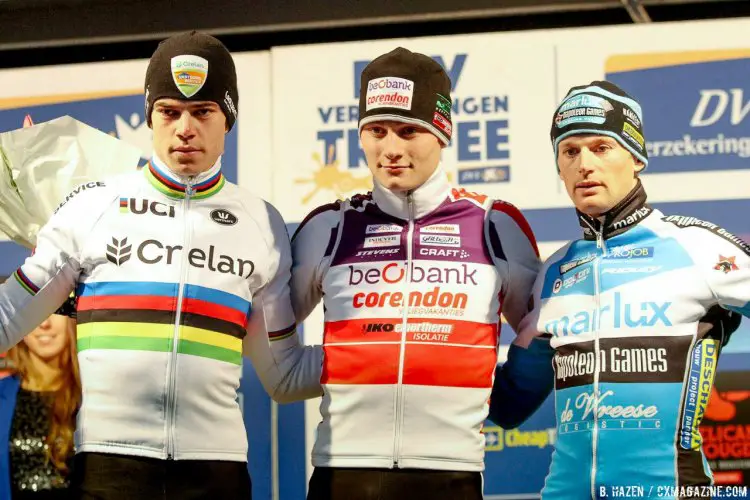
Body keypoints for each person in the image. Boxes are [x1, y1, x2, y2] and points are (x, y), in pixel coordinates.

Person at [0, 31, 322, 499]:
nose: (185, 128)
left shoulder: (261, 223)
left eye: (202, 112)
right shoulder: (95, 206)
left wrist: (397, 355)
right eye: (169, 112)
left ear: (227, 119)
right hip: (111, 468)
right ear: (150, 117)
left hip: (217, 473)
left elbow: (285, 374)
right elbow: (9, 316)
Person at [290, 47, 548, 500]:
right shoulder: (328, 225)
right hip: (340, 474)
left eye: (409, 131)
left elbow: (543, 333)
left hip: (451, 474)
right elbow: (272, 349)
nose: (391, 149)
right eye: (375, 130)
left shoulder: (494, 223)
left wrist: (503, 394)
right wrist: (339, 362)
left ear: (441, 133)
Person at [500, 80, 749, 499]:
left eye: (601, 147)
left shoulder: (699, 247)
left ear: (636, 157)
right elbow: (511, 406)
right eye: (570, 151)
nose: (584, 164)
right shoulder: (553, 271)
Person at [1, 297, 79, 500]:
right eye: (34, 313)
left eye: (55, 310)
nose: (44, 323)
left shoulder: (94, 396)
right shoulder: (2, 396)